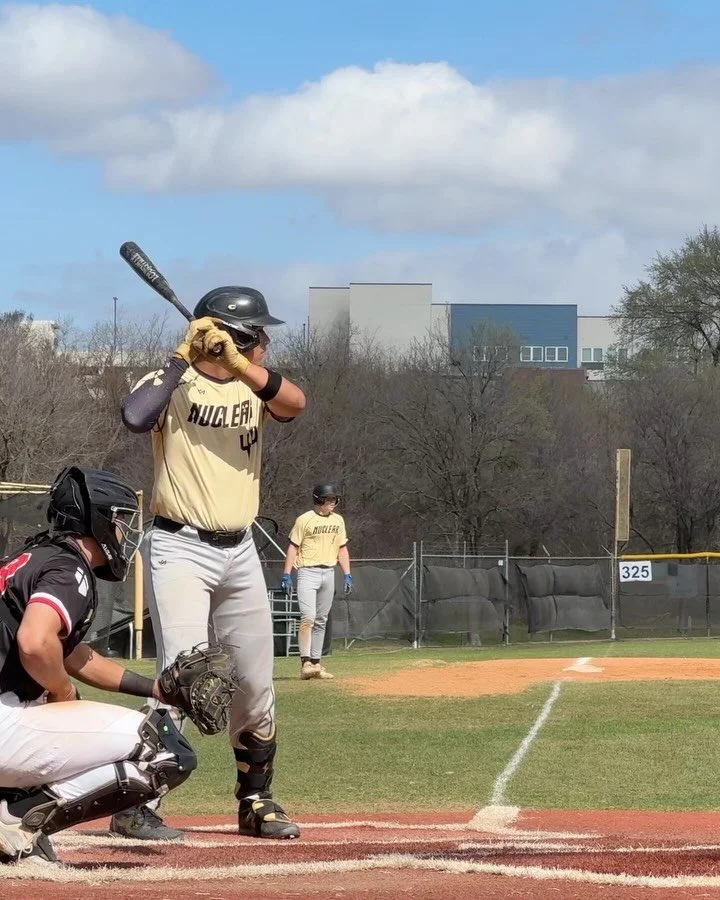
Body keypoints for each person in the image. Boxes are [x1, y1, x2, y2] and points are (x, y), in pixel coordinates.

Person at [119, 285, 306, 841]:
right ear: (234, 333)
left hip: (240, 548)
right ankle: (136, 800)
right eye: (258, 336)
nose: (266, 343)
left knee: (253, 680)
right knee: (182, 676)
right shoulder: (176, 384)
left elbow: (295, 403)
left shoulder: (256, 387)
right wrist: (184, 357)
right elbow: (134, 414)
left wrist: (235, 364)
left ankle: (256, 802)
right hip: (180, 546)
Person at [0, 466, 197, 865]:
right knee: (163, 750)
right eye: (121, 522)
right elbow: (36, 643)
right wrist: (61, 692)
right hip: (4, 725)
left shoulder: (29, 558)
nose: (124, 534)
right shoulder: (69, 569)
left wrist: (155, 689)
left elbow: (73, 655)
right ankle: (16, 817)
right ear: (100, 521)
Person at [281, 484, 352, 681]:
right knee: (308, 617)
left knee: (321, 619)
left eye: (334, 500)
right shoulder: (304, 520)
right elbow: (293, 547)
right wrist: (286, 574)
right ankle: (305, 664)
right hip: (307, 572)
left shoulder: (338, 520)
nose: (333, 503)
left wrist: (347, 573)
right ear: (319, 500)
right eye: (329, 500)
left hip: (328, 571)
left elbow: (342, 549)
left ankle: (317, 663)